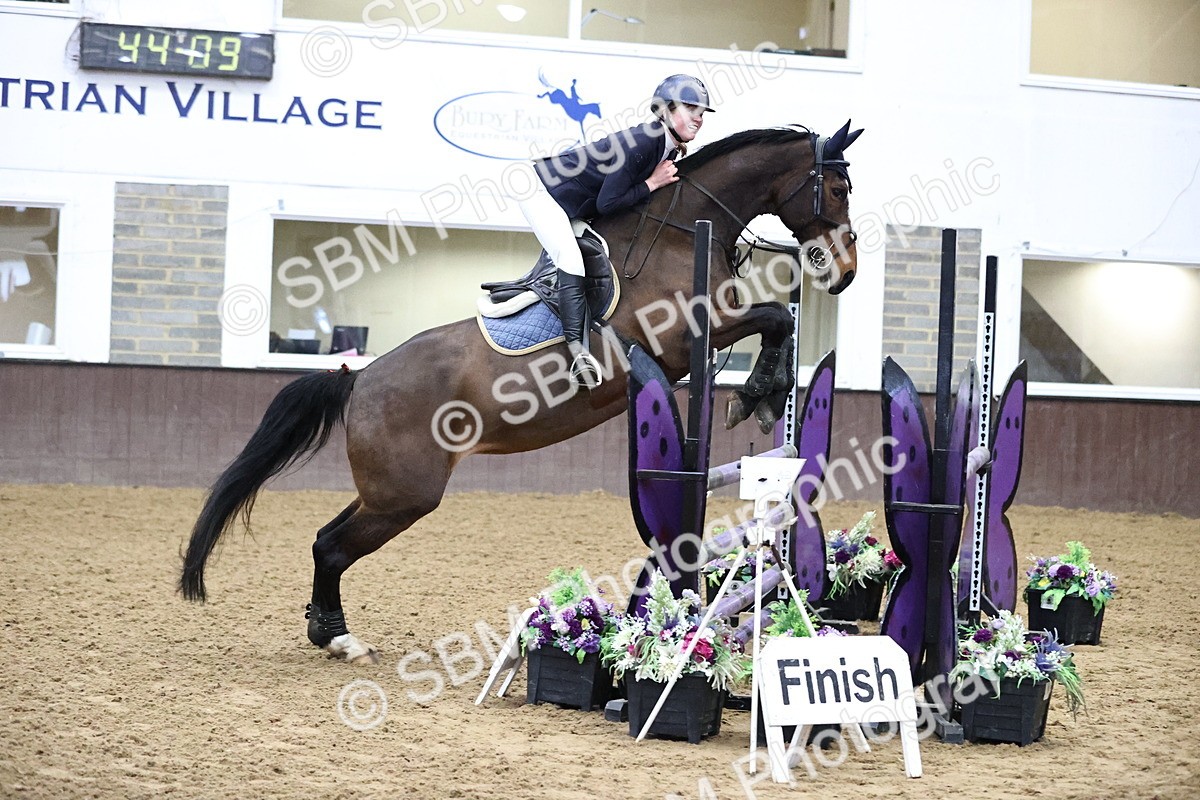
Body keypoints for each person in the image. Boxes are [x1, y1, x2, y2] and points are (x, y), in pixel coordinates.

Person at [519, 74, 715, 389]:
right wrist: (651, 184)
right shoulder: (644, 141)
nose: (698, 118)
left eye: (702, 112)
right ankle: (577, 354)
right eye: (691, 108)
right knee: (570, 259)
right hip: (540, 191)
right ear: (664, 110)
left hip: (574, 203)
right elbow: (609, 202)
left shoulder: (664, 146)